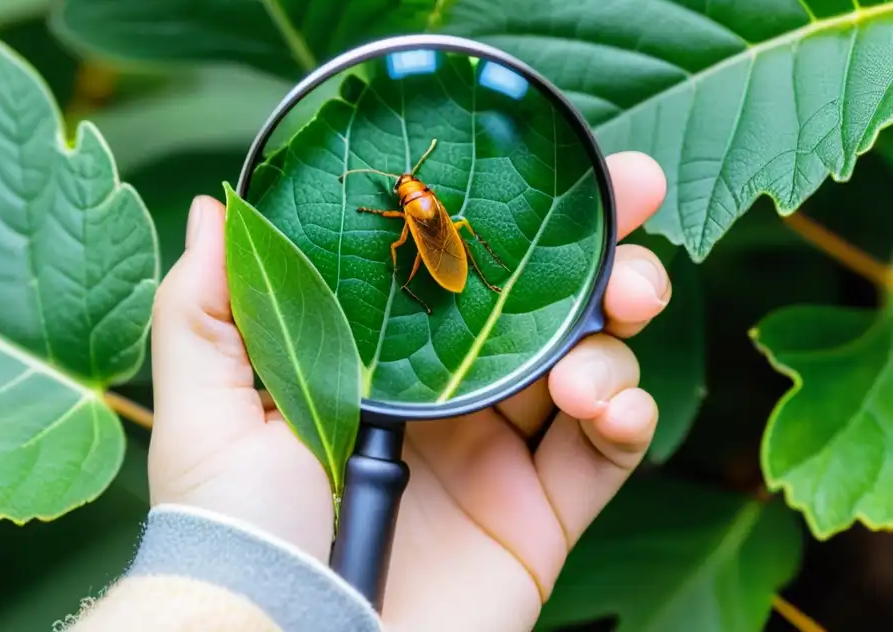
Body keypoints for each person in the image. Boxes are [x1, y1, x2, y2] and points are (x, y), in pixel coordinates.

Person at [63, 152, 671, 632]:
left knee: (422, 251)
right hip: (443, 258)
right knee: (440, 246)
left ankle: (458, 276)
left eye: (405, 189)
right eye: (403, 192)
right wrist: (253, 577)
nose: (403, 193)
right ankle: (466, 275)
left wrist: (231, 573)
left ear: (411, 195)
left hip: (439, 263)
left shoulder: (412, 211)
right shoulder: (427, 205)